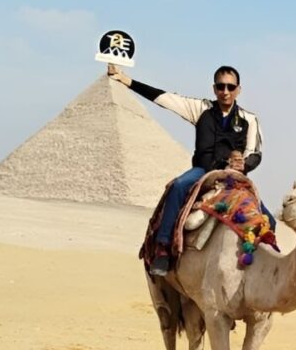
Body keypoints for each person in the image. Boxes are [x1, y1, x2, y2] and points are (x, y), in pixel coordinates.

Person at [107, 63, 272, 276]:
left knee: (270, 219)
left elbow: (255, 153)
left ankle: (263, 268)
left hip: (233, 177)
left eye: (231, 87)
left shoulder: (249, 119)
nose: (225, 92)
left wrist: (245, 164)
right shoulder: (200, 108)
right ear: (214, 88)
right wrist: (126, 80)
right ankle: (163, 248)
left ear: (238, 89)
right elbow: (164, 99)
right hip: (203, 172)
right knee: (178, 186)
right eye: (221, 86)